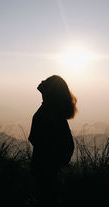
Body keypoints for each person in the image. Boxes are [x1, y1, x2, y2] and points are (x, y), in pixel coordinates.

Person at [28, 75, 77, 207]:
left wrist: (52, 165)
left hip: (46, 171)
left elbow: (36, 138)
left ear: (51, 90)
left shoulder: (51, 112)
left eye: (47, 81)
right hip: (46, 170)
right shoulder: (51, 109)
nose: (42, 81)